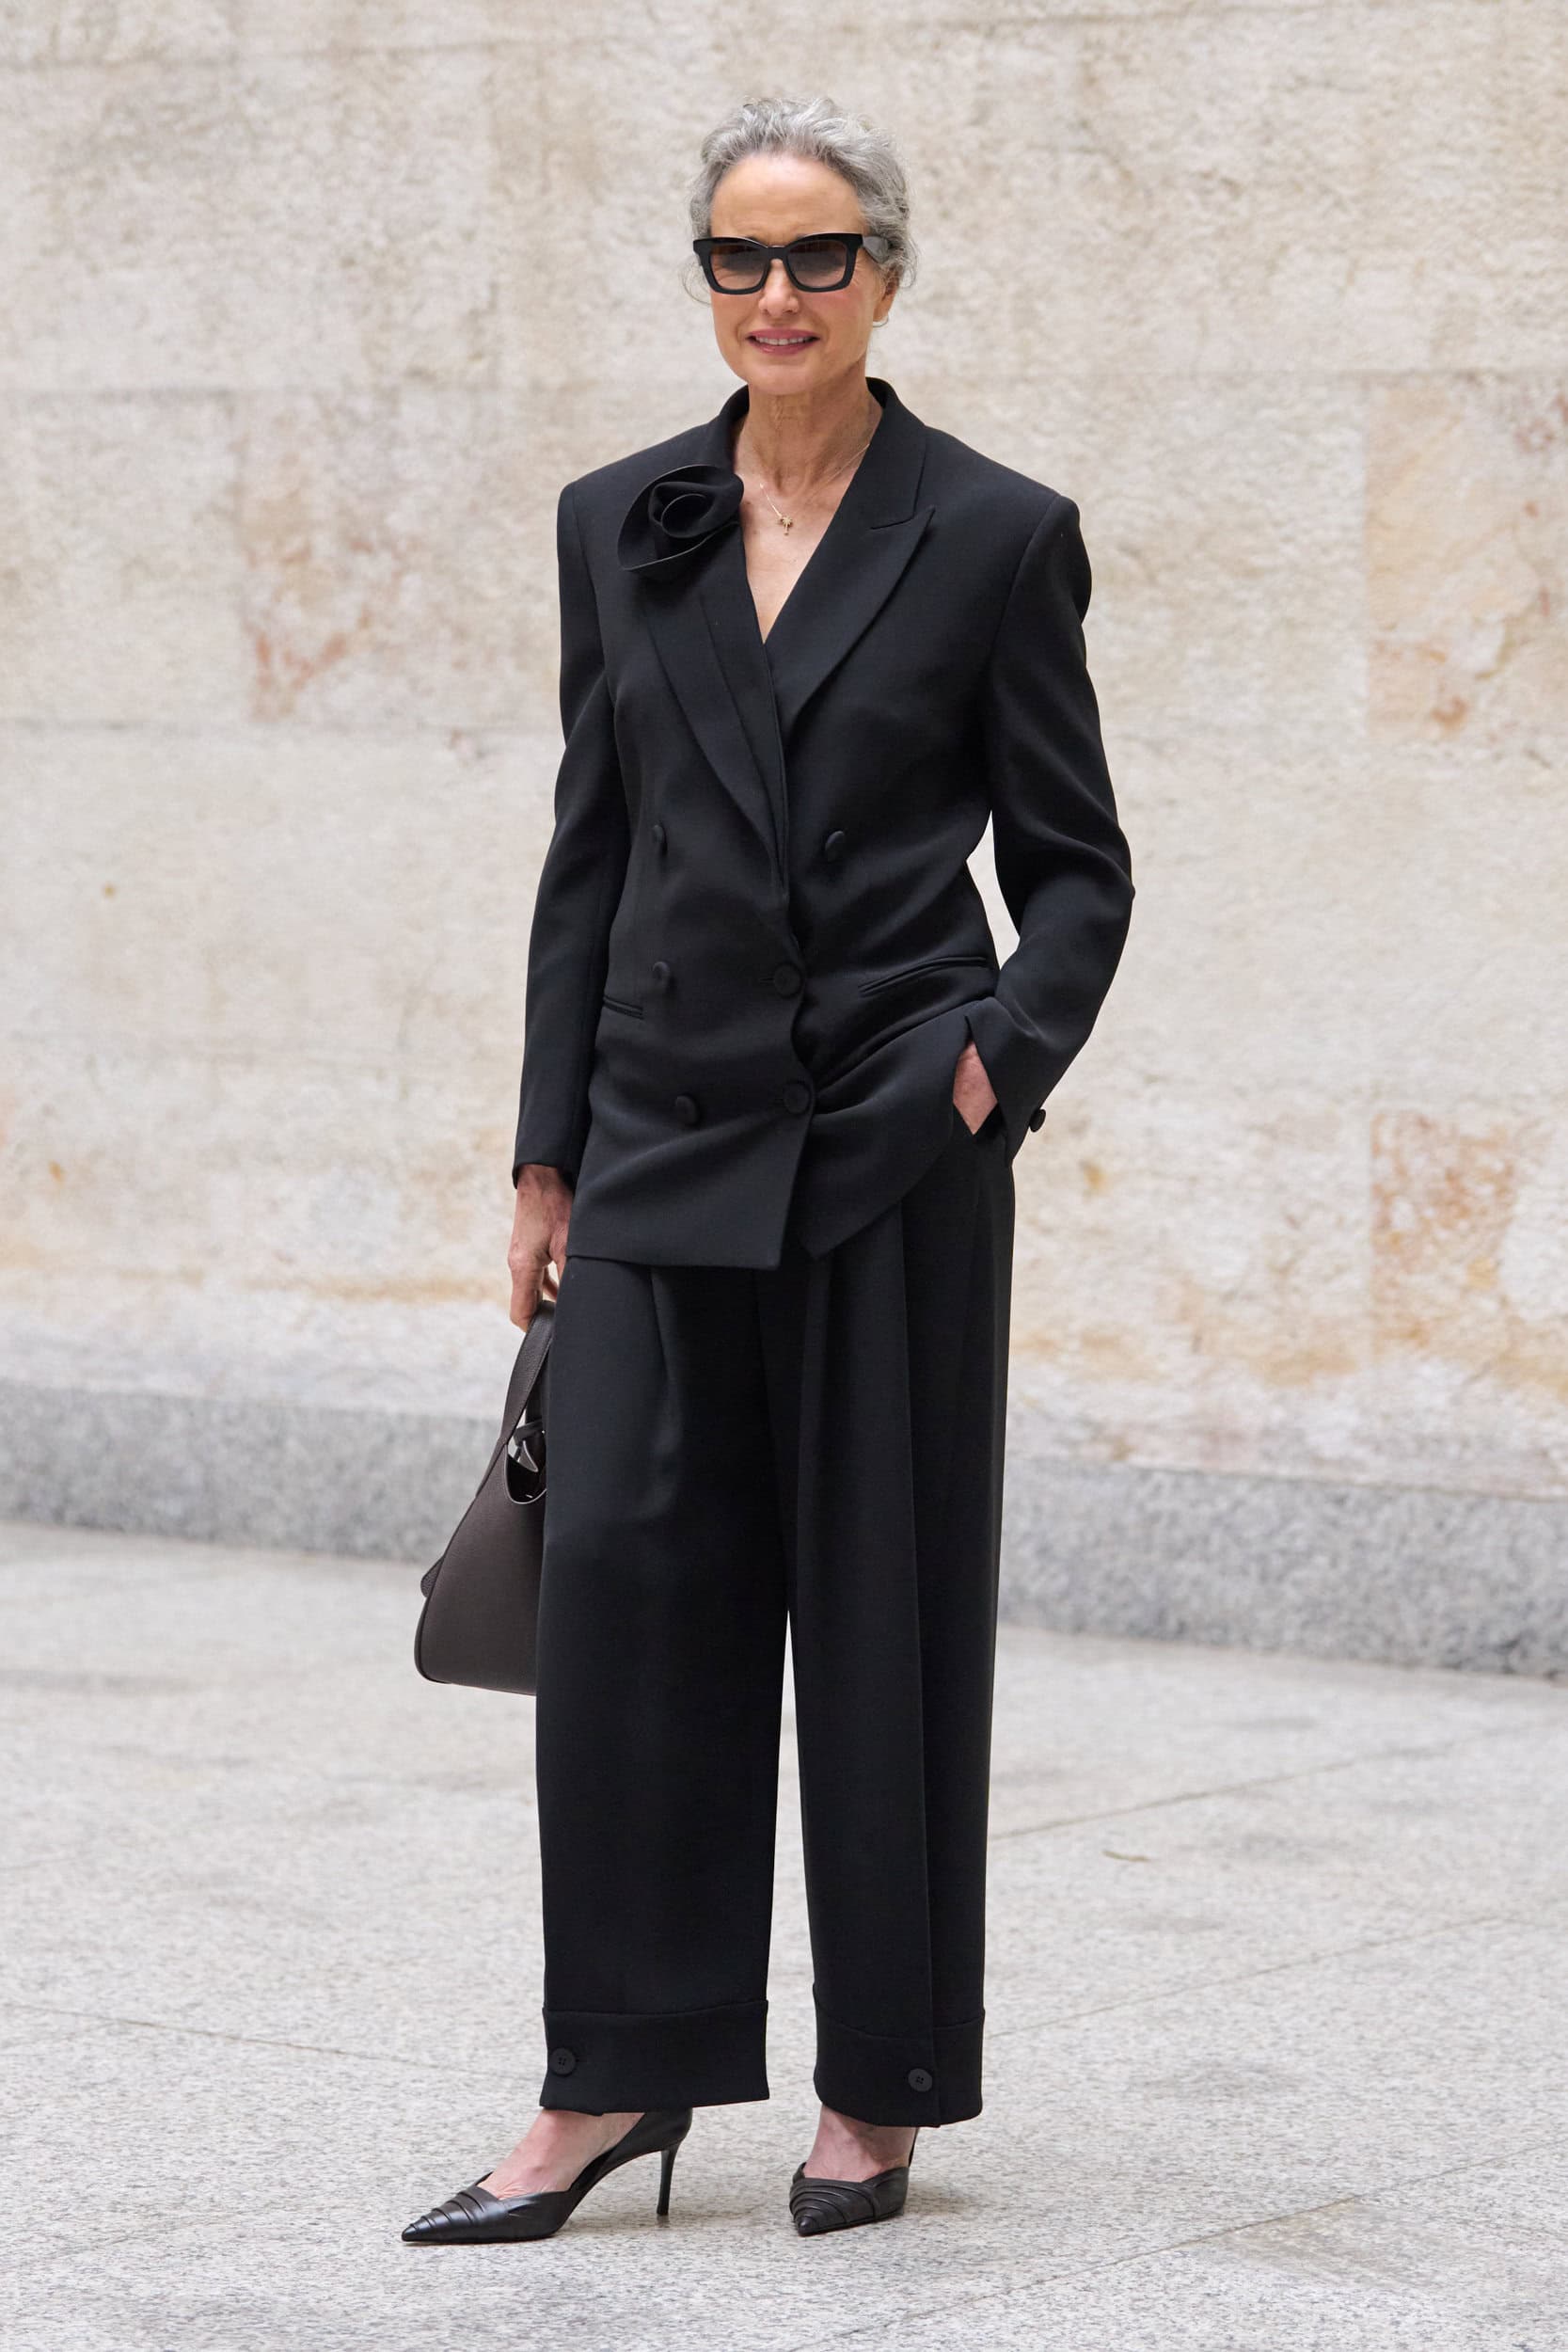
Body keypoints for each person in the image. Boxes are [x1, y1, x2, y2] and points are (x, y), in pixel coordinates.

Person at [403, 90, 1133, 2249]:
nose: (781, 294)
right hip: (655, 1139)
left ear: (884, 274)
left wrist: (987, 1072)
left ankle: (878, 2083)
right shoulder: (620, 518)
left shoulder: (992, 531)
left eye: (821, 256)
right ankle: (609, 2076)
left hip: (888, 1142)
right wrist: (547, 1149)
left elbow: (1079, 871)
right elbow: (590, 847)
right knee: (626, 1615)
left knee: (883, 1622)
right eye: (744, 256)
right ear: (707, 277)